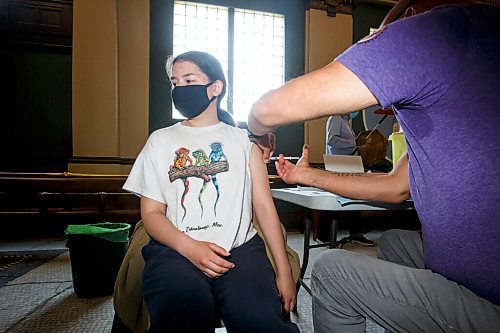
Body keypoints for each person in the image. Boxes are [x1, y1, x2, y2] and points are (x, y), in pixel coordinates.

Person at [248, 0, 500, 332]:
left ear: (405, 19)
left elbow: (268, 110)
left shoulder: (437, 30)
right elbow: (395, 187)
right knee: (394, 242)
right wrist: (304, 174)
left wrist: (256, 132)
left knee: (331, 271)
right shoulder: (475, 73)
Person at [123, 51, 299, 333]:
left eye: (189, 79)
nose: (180, 89)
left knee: (260, 322)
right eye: (175, 82)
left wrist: (284, 271)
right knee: (182, 313)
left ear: (215, 88)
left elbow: (264, 208)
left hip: (241, 251)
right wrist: (189, 247)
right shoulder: (160, 140)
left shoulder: (245, 142)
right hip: (175, 249)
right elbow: (152, 213)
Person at [325, 114, 375, 246]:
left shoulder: (346, 121)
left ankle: (356, 234)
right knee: (336, 201)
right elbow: (332, 140)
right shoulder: (335, 118)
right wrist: (354, 143)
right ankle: (329, 236)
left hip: (348, 165)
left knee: (354, 198)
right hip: (339, 166)